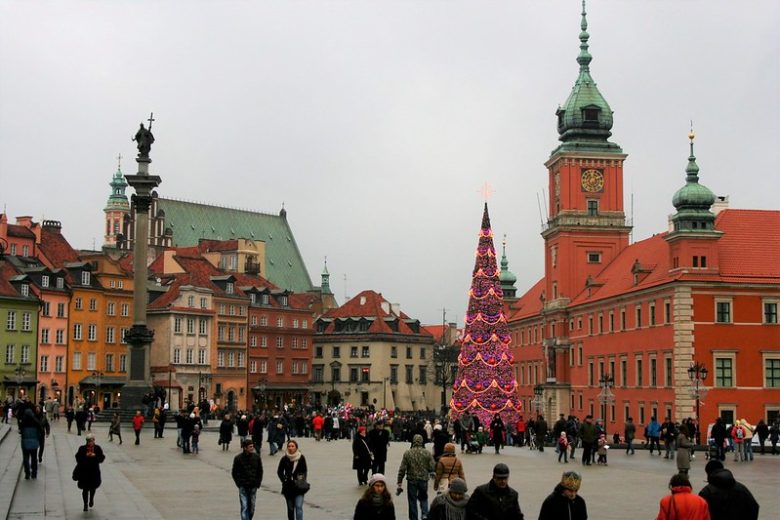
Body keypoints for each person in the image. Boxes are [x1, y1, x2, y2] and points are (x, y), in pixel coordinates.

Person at [396, 434, 435, 520]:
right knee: (423, 498)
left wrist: (399, 481)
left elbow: (402, 468)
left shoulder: (408, 453)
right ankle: (425, 514)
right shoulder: (427, 453)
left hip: (412, 480)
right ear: (422, 441)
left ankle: (414, 517)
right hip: (423, 480)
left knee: (412, 500)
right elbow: (432, 467)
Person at [232, 439, 264, 520]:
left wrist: (258, 482)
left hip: (253, 486)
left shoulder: (256, 457)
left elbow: (260, 471)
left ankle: (249, 518)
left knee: (252, 506)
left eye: (252, 446)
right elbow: (234, 472)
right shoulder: (238, 458)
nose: (252, 448)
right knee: (244, 506)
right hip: (243, 486)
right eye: (250, 447)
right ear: (245, 448)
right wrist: (239, 483)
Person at [74, 433, 106, 512]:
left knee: (92, 488)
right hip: (84, 472)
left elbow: (101, 458)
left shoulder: (97, 448)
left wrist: (95, 456)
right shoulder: (82, 448)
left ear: (94, 441)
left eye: (91, 441)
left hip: (94, 472)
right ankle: (85, 504)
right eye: (89, 441)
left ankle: (91, 499)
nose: (90, 442)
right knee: (85, 489)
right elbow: (78, 458)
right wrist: (86, 456)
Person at [278, 439, 308, 520]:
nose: (290, 448)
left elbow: (304, 471)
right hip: (288, 487)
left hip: (299, 486)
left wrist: (300, 480)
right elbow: (279, 471)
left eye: (292, 446)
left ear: (296, 447)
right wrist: (284, 479)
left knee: (298, 506)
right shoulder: (284, 459)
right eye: (289, 446)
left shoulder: (301, 458)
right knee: (290, 508)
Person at [19, 408, 43, 479]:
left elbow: (20, 431)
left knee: (26, 458)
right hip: (34, 442)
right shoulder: (35, 421)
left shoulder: (23, 422)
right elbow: (41, 430)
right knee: (34, 458)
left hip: (25, 442)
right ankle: (34, 473)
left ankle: (27, 473)